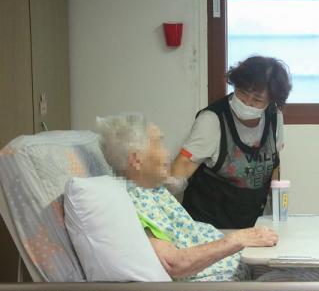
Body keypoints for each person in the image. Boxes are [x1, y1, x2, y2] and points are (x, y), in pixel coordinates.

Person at [97, 114, 278, 281]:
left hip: (238, 272)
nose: (168, 154)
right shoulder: (135, 203)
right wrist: (237, 239)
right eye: (159, 144)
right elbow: (174, 264)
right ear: (136, 160)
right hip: (217, 288)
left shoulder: (153, 191)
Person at [169, 55, 292, 229]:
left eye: (257, 100)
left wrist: (276, 212)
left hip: (250, 223)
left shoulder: (274, 117)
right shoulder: (212, 120)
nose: (246, 103)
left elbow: (274, 163)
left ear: (272, 100)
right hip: (208, 226)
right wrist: (162, 191)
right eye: (242, 93)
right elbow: (182, 166)